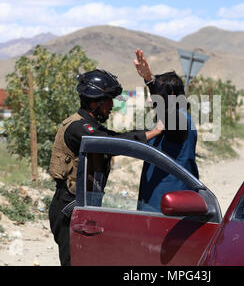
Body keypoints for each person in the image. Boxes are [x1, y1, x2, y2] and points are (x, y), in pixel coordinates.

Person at [48, 69, 163, 266]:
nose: (112, 105)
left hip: (84, 207)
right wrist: (151, 134)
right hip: (69, 208)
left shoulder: (91, 125)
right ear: (96, 101)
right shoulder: (79, 127)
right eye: (109, 100)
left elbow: (114, 137)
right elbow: (111, 143)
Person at [133, 49, 199, 212]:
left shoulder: (182, 120)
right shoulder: (163, 120)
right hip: (158, 202)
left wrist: (150, 81)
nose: (152, 96)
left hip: (170, 205)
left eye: (158, 91)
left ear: (170, 95)